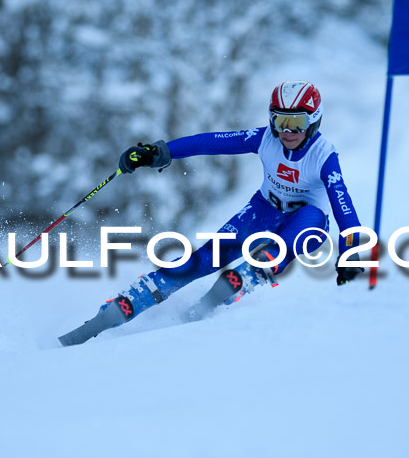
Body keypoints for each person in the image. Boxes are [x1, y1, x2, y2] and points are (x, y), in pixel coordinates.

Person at [65, 81, 364, 343]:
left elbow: (343, 204)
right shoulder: (265, 139)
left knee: (302, 232)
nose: (287, 131)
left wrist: (350, 254)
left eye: (296, 122)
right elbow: (213, 141)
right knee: (203, 259)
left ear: (314, 120)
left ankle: (247, 275)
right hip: (263, 208)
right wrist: (158, 152)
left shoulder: (324, 156)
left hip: (307, 217)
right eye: (280, 120)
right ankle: (131, 301)